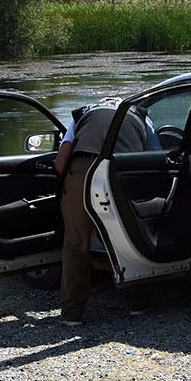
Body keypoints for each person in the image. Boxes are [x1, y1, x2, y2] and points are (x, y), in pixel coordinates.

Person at [52, 97, 154, 325]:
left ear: (100, 103)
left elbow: (60, 163)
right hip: (121, 171)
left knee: (76, 244)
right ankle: (138, 304)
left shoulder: (82, 115)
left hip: (82, 169)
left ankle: (72, 314)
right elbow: (155, 154)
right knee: (126, 238)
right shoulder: (141, 116)